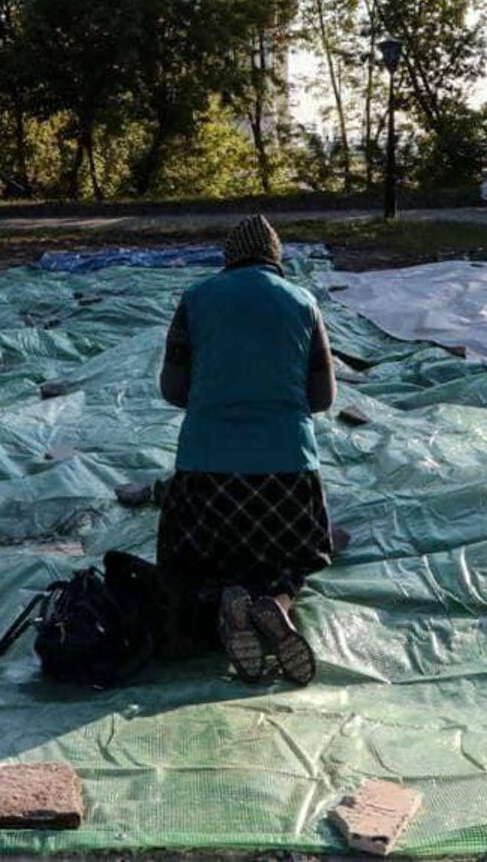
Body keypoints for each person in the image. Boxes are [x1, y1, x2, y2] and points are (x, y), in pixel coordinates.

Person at [157, 215, 336, 686]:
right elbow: (323, 398)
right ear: (276, 259)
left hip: (206, 476)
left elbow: (173, 389)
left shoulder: (196, 299)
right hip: (288, 476)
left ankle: (226, 600)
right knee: (292, 560)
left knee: (194, 563)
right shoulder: (303, 302)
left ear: (228, 259)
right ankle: (276, 604)